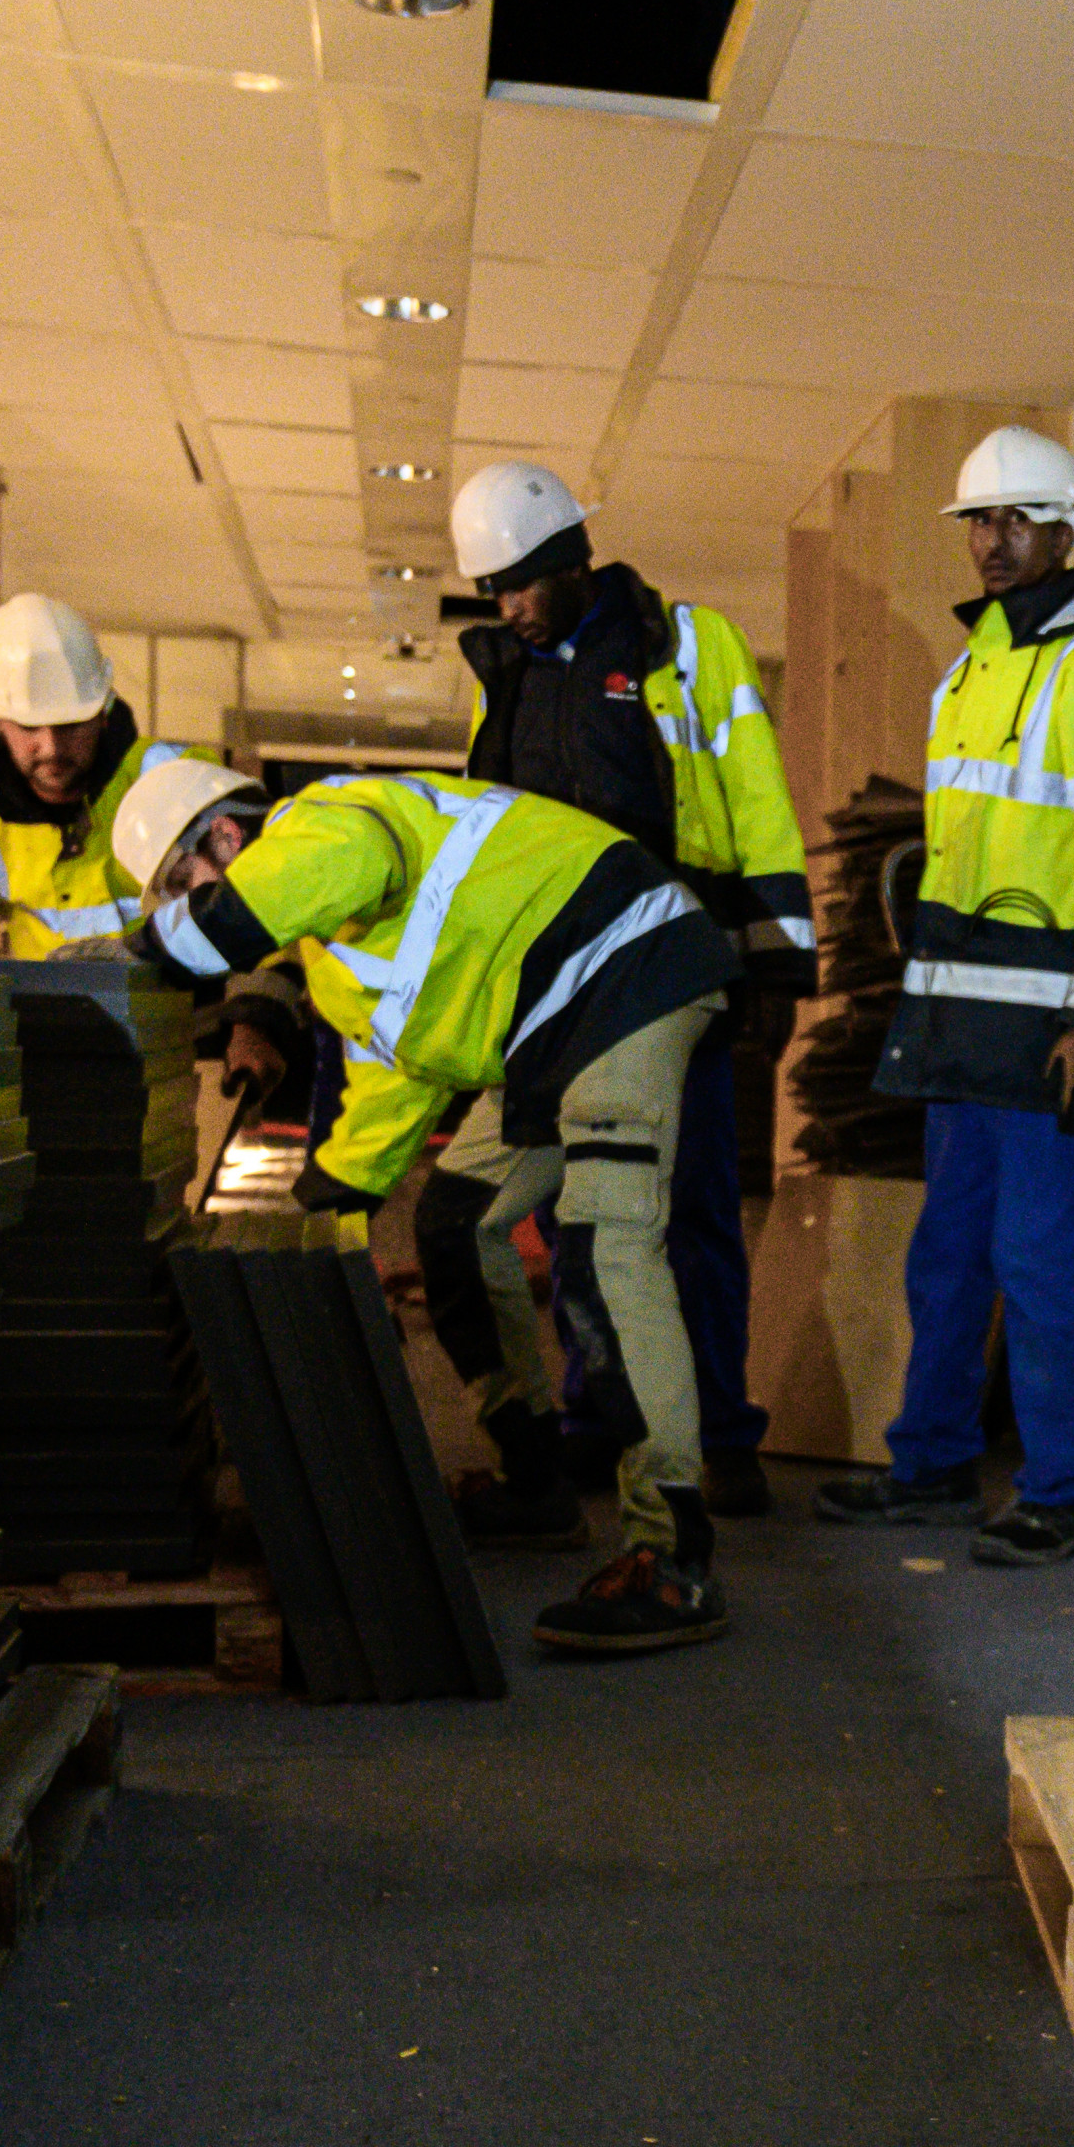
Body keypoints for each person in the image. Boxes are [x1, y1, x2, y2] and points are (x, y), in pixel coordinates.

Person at [111, 754, 743, 1656]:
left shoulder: (321, 825)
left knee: (607, 1249)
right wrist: (326, 1202)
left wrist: (141, 950)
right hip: (551, 1021)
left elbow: (268, 904)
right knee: (454, 1224)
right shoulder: (330, 953)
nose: (194, 903)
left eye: (187, 885)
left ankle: (673, 1556)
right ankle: (534, 1481)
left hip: (624, 970)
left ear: (223, 836)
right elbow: (400, 1069)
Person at [417, 460, 810, 1536]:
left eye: (520, 583)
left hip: (683, 979)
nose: (507, 605)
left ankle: (718, 1436)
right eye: (490, 589)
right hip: (559, 993)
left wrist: (773, 971)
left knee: (688, 1217)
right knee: (580, 1221)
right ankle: (608, 1417)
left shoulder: (684, 647)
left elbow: (759, 804)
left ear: (569, 560)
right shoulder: (503, 677)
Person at [813, 426, 1074, 1567]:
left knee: (1047, 1261)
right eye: (978, 520)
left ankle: (1059, 1492)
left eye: (1016, 519)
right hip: (961, 1025)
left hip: (1051, 1034)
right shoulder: (967, 673)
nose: (992, 541)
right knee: (948, 1257)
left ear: (1071, 532)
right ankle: (928, 1467)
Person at [0, 592, 187, 958]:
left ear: (103, 711)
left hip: (173, 1013)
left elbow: (256, 899)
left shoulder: (172, 779)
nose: (51, 747)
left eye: (70, 724)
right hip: (38, 1014)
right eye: (30, 727)